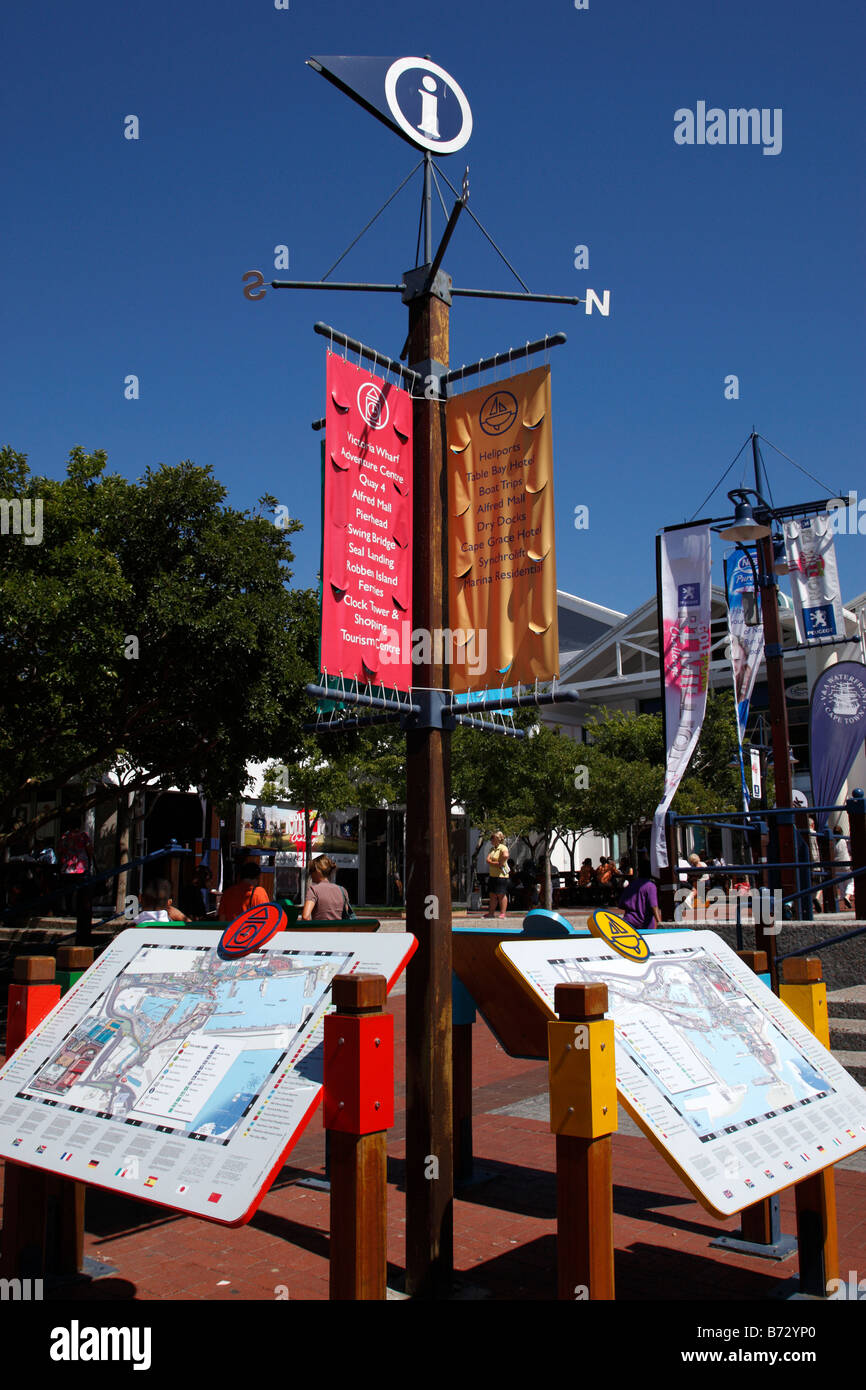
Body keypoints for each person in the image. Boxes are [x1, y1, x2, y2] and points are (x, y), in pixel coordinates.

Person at [617, 856, 662, 931]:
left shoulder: (631, 884)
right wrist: (660, 923)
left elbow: (621, 904)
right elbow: (654, 906)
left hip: (628, 923)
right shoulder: (650, 886)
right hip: (644, 926)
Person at [302, 854, 350, 921]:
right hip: (338, 930)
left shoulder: (313, 890)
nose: (310, 875)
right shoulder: (342, 890)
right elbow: (346, 915)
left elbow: (305, 916)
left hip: (320, 930)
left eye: (311, 871)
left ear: (317, 871)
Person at [485, 831, 511, 918]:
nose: (491, 840)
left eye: (493, 838)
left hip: (501, 876)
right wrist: (494, 863)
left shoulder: (503, 848)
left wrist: (500, 862)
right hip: (493, 875)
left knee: (501, 894)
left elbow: (506, 855)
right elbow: (488, 859)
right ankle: (491, 913)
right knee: (492, 894)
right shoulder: (492, 849)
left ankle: (502, 913)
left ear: (497, 839)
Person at [832, 826, 854, 910]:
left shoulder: (833, 842)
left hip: (836, 865)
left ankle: (844, 900)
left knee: (841, 884)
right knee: (851, 881)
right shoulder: (844, 841)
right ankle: (847, 896)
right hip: (845, 864)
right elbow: (850, 850)